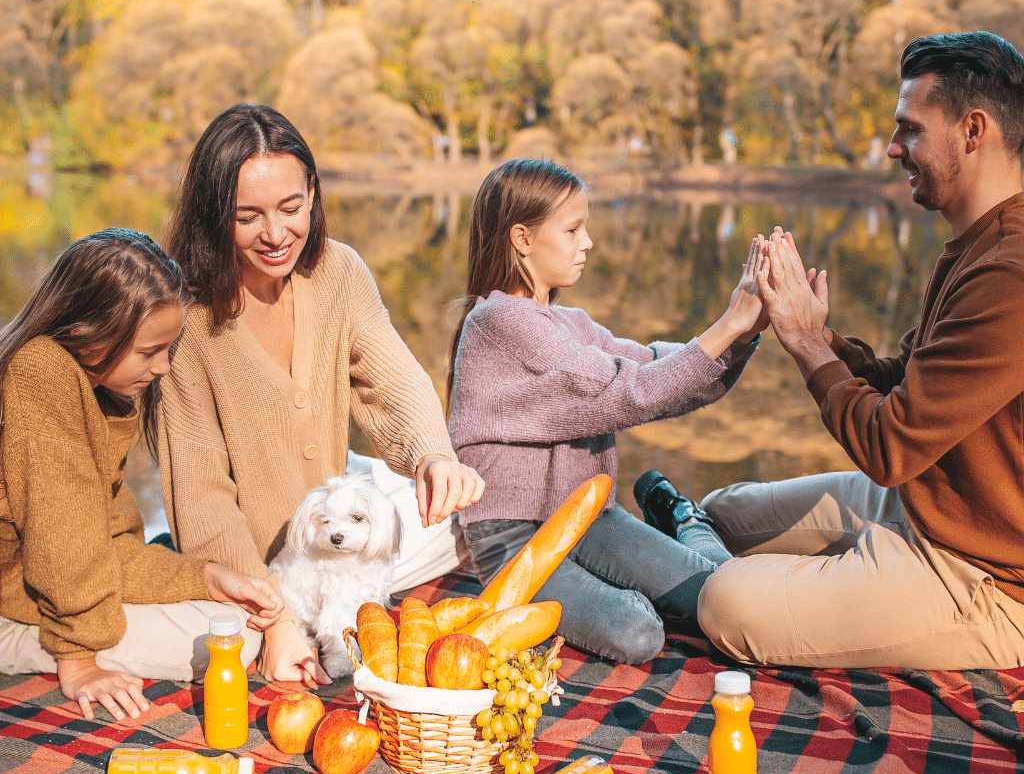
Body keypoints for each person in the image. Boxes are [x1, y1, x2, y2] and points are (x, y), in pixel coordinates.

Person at [696, 31, 1024, 670]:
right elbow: (909, 384)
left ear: (973, 131)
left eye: (910, 129)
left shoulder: (1010, 273)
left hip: (982, 574)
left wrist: (803, 345)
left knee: (725, 603)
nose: (894, 147)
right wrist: (822, 337)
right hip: (926, 504)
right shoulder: (977, 242)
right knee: (720, 514)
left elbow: (889, 446)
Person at [156, 104, 485, 687]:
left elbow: (392, 376)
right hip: (253, 559)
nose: (275, 234)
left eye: (290, 208)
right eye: (248, 216)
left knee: (475, 504)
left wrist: (432, 455)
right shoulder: (185, 317)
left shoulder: (339, 270)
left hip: (335, 515)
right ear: (214, 215)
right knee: (221, 640)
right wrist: (277, 621)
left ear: (312, 192)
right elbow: (202, 495)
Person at [446, 158, 769, 664]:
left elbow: (660, 371)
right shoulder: (499, 321)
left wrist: (744, 333)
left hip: (588, 519)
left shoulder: (572, 324)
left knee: (722, 597)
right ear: (522, 239)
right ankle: (664, 552)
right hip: (515, 536)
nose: (588, 242)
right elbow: (628, 392)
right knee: (638, 633)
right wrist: (727, 325)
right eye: (573, 229)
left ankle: (685, 520)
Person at [0, 229, 283, 722]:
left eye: (167, 349)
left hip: (51, 583)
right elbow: (62, 540)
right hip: (16, 598)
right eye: (150, 351)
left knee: (226, 620)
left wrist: (204, 579)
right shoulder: (40, 372)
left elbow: (104, 542)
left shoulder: (96, 390)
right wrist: (79, 661)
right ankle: (28, 646)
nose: (164, 368)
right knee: (233, 640)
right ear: (91, 331)